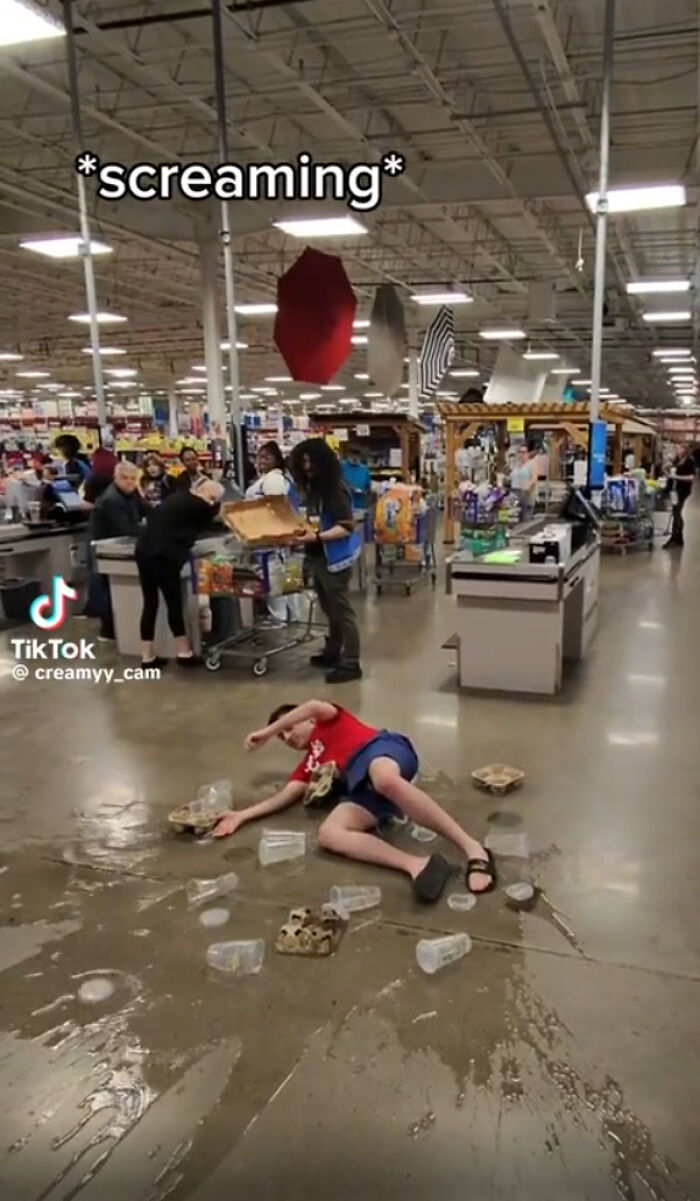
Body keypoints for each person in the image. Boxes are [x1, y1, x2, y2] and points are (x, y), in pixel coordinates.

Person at [212, 699, 496, 901]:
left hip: (379, 751)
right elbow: (285, 796)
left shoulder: (329, 719)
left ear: (308, 720)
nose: (285, 737)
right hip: (362, 787)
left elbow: (312, 704)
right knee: (329, 833)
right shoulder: (309, 764)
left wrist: (268, 731)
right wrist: (241, 815)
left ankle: (473, 849)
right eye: (281, 736)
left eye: (288, 729)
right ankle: (416, 865)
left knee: (384, 779)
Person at [289, 438, 362, 684]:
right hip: (319, 555)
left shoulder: (334, 489)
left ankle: (351, 662)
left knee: (341, 611)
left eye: (311, 461)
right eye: (303, 462)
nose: (308, 467)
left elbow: (346, 526)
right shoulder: (313, 488)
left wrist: (318, 536)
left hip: (335, 557)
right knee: (329, 608)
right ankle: (333, 652)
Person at [135, 477, 224, 669]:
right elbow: (214, 520)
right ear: (207, 495)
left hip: (143, 550)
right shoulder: (199, 504)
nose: (212, 502)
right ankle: (184, 653)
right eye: (213, 498)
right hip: (165, 555)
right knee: (174, 603)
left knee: (150, 603)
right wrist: (218, 508)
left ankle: (147, 656)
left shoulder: (177, 498)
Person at [86, 461, 146, 640]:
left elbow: (146, 510)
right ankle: (108, 632)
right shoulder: (111, 499)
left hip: (118, 547)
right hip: (105, 550)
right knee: (107, 593)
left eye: (133, 479)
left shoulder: (131, 494)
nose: (129, 482)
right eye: (125, 478)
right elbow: (127, 528)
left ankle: (119, 629)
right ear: (116, 477)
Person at [246, 441, 300, 623]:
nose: (261, 461)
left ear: (276, 460)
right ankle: (291, 617)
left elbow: (276, 509)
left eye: (266, 457)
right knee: (286, 578)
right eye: (259, 457)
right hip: (276, 538)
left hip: (271, 538)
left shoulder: (274, 480)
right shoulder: (274, 478)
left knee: (274, 579)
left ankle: (279, 617)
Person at [664, 444, 695, 549]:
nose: (676, 450)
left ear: (684, 450)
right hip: (675, 490)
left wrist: (675, 477)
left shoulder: (689, 461)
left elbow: (691, 477)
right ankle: (678, 538)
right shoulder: (677, 460)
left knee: (677, 512)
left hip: (682, 490)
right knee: (676, 512)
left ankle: (675, 537)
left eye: (678, 448)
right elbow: (671, 470)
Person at [340, 444, 372, 511]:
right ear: (348, 455)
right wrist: (348, 488)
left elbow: (368, 487)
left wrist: (365, 492)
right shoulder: (341, 466)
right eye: (352, 455)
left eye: (357, 455)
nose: (354, 457)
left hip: (361, 505)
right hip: (345, 505)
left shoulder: (364, 469)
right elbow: (337, 482)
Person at [510, 443, 537, 520]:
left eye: (523, 452)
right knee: (514, 518)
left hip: (526, 495)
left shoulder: (531, 464)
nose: (521, 454)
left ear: (528, 453)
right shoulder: (516, 465)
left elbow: (534, 478)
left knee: (525, 519)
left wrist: (528, 486)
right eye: (519, 452)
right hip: (515, 495)